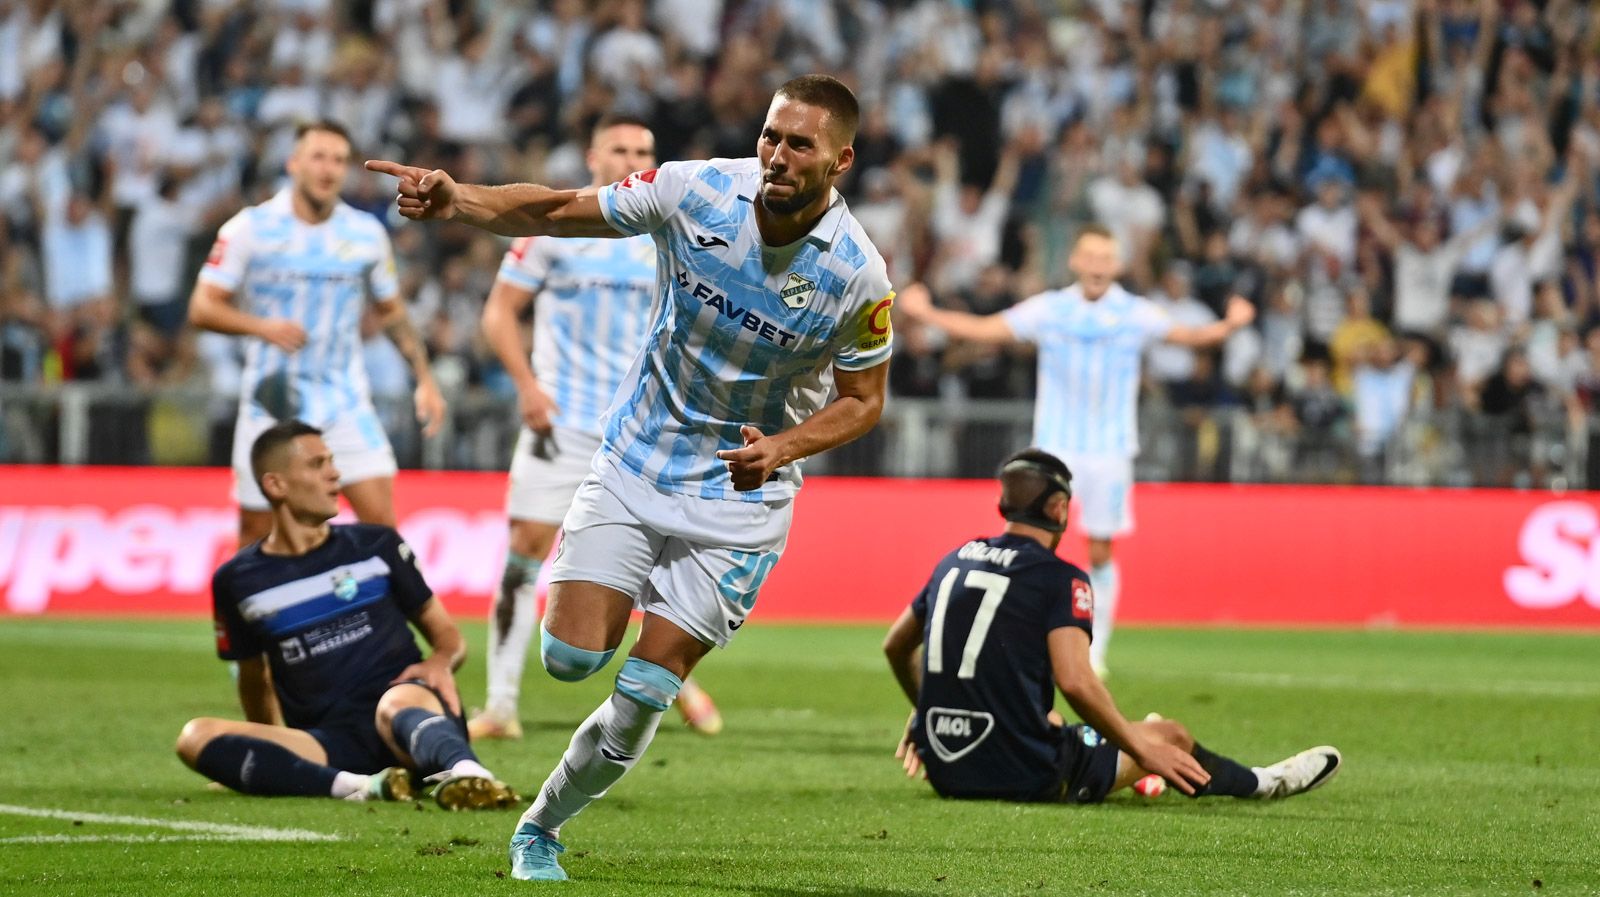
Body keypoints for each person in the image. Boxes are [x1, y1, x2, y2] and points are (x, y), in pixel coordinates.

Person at [367, 73, 895, 881]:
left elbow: (864, 401)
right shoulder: (695, 191)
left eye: (800, 145)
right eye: (770, 135)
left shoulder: (858, 275)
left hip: (739, 492)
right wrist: (457, 202)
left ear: (842, 160)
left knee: (647, 683)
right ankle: (625, 591)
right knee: (572, 660)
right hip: (636, 459)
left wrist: (784, 447)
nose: (776, 156)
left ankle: (539, 827)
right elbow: (554, 211)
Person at [882, 448, 1342, 804]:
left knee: (1053, 718)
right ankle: (1264, 783)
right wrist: (1143, 747)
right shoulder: (1059, 577)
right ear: (1059, 507)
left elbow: (894, 646)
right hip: (1025, 775)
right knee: (1170, 736)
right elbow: (1076, 681)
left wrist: (929, 713)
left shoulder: (954, 559)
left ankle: (1130, 772)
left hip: (947, 770)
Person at [896, 226, 1255, 677]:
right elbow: (989, 330)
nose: (1099, 265)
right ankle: (1027, 640)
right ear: (1076, 261)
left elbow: (1189, 337)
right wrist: (927, 313)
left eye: (1107, 257)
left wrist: (1231, 325)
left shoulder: (1135, 313)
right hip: (1054, 452)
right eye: (1091, 256)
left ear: (1118, 265)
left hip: (1109, 451)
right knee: (1031, 547)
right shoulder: (1051, 310)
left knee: (1101, 552)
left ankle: (1095, 649)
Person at [470, 114, 722, 742]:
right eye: (620, 148)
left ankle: (674, 681)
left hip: (643, 430)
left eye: (644, 149)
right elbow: (500, 313)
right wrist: (527, 385)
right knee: (523, 554)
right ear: (592, 157)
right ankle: (500, 706)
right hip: (562, 423)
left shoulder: (670, 230)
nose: (633, 158)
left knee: (647, 567)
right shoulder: (555, 226)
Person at [174, 420, 517, 809]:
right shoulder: (237, 580)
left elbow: (447, 635)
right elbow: (254, 678)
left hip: (409, 720)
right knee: (195, 736)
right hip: (330, 743)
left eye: (333, 462)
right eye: (317, 464)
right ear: (275, 485)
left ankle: (468, 774)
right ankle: (360, 787)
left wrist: (440, 662)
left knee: (397, 701)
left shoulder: (376, 546)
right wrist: (268, 750)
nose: (335, 473)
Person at [188, 120, 445, 548]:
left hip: (345, 402)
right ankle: (241, 617)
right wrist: (261, 327)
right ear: (293, 163)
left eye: (339, 160)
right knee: (255, 535)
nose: (329, 169)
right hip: (272, 404)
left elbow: (393, 312)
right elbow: (202, 307)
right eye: (318, 157)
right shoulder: (249, 228)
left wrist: (425, 378)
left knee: (383, 530)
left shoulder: (365, 234)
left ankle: (386, 617)